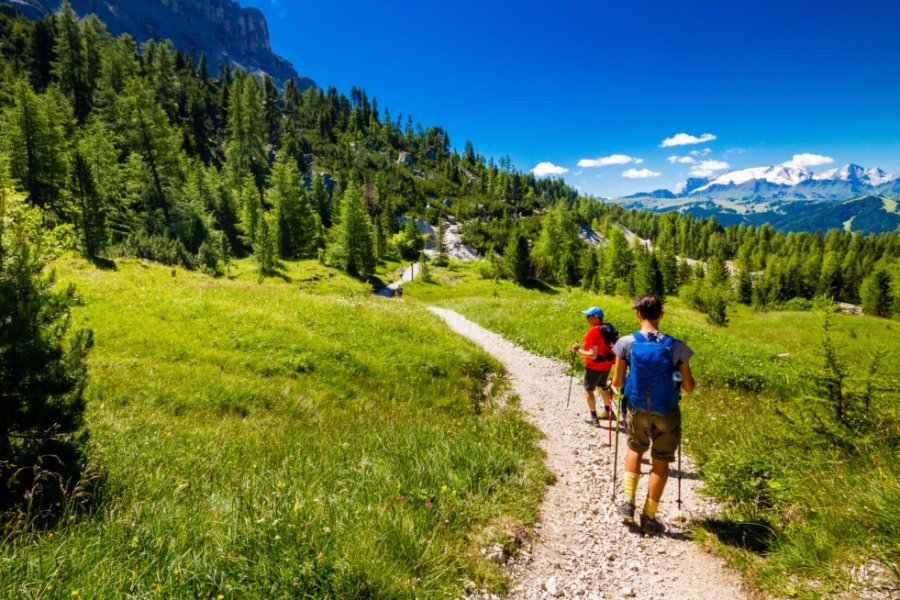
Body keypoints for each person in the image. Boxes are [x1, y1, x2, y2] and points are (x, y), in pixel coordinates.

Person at [611, 294, 695, 535]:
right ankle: (649, 516)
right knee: (661, 460)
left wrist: (621, 384)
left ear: (637, 313)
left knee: (635, 448)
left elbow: (617, 382)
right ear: (661, 315)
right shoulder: (676, 346)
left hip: (637, 407)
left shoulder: (625, 343)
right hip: (666, 410)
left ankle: (627, 502)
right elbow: (688, 387)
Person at [571, 306, 614, 427]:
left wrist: (578, 350)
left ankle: (594, 418)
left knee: (589, 390)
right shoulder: (608, 328)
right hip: (607, 364)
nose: (587, 319)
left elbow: (593, 355)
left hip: (594, 366)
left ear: (596, 317)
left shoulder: (594, 332)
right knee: (602, 386)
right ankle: (609, 412)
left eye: (589, 316)